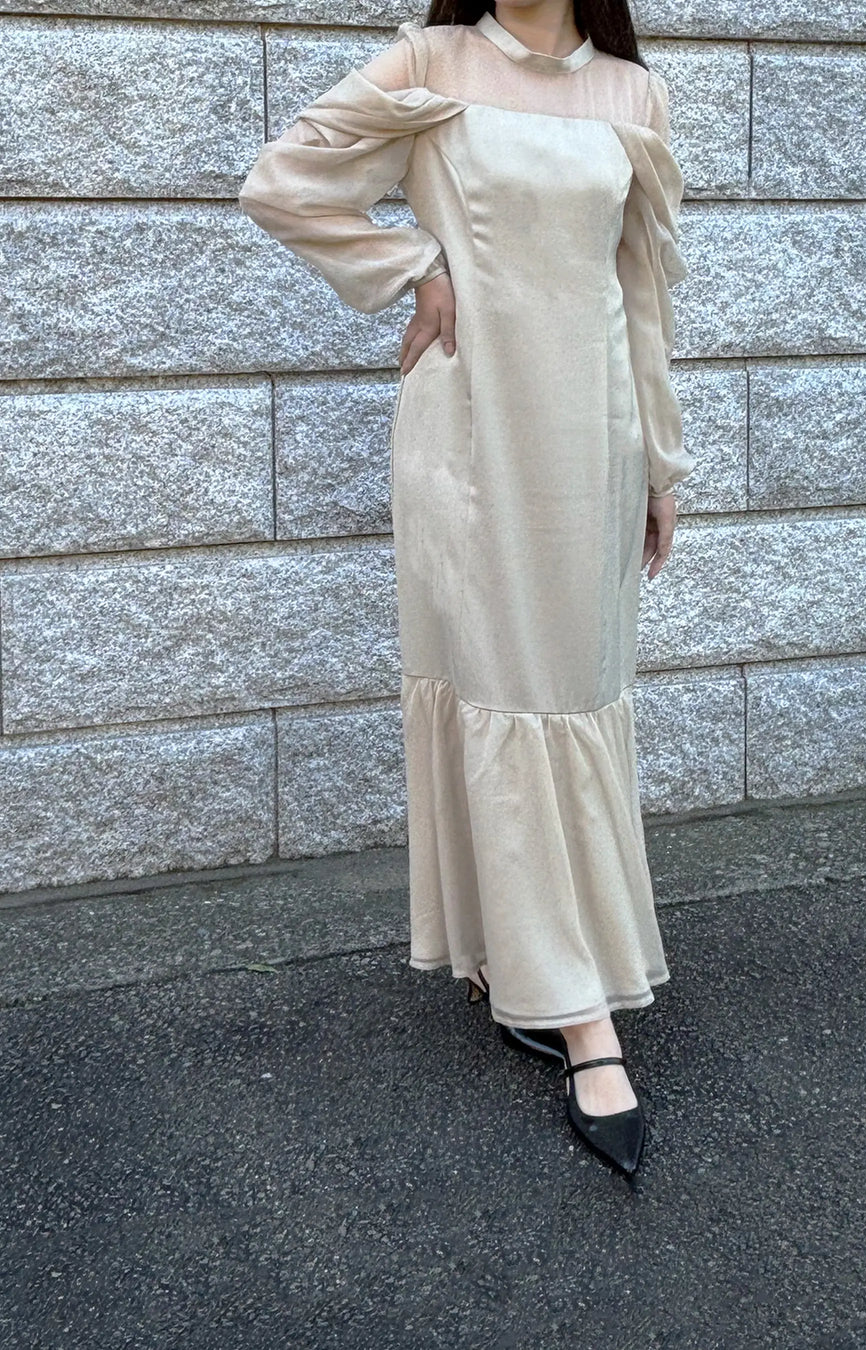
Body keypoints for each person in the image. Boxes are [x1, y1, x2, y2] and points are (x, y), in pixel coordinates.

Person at [237, 0, 692, 1176]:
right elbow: (283, 182)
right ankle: (578, 1010)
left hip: (591, 441)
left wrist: (660, 461)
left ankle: (520, 952)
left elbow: (642, 292)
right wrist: (415, 267)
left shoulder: (630, 91)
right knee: (500, 684)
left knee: (572, 690)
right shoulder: (429, 63)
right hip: (471, 436)